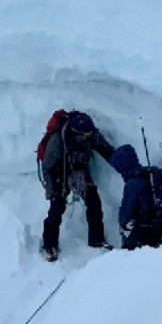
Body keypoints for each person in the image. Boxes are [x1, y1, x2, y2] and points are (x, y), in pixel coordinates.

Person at [39, 110, 116, 260]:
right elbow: (47, 167)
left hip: (78, 170)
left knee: (93, 202)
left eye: (89, 135)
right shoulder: (57, 141)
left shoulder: (90, 134)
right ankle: (50, 245)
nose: (88, 138)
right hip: (58, 172)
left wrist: (127, 165)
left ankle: (97, 240)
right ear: (74, 132)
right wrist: (51, 191)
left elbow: (107, 151)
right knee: (57, 207)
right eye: (84, 136)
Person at [109, 143, 162, 250]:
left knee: (128, 254)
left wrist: (122, 222)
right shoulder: (148, 174)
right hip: (160, 223)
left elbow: (126, 210)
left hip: (145, 226)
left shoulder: (133, 183)